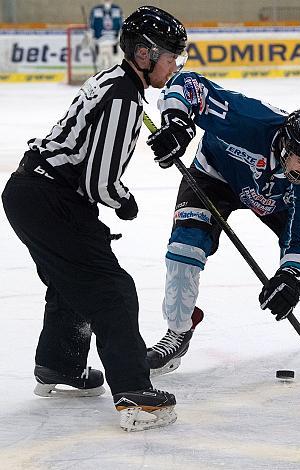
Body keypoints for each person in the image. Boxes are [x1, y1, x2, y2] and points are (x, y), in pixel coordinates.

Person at [2, 6, 188, 432]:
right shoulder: (124, 96)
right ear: (144, 54)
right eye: (170, 57)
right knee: (112, 290)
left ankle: (60, 366)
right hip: (52, 198)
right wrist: (125, 202)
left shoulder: (114, 81)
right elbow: (99, 182)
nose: (174, 65)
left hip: (30, 192)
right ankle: (135, 395)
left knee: (72, 282)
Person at [143, 72, 300, 376]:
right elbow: (189, 85)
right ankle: (178, 332)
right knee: (185, 248)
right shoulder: (248, 119)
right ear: (286, 147)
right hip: (215, 177)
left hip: (280, 197)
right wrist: (177, 124)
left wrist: (292, 276)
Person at [88, 0, 124, 70]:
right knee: (100, 65)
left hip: (114, 44)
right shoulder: (95, 10)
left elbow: (121, 26)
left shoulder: (117, 9)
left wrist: (119, 40)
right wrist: (92, 40)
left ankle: (114, 80)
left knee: (115, 65)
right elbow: (91, 27)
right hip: (100, 43)